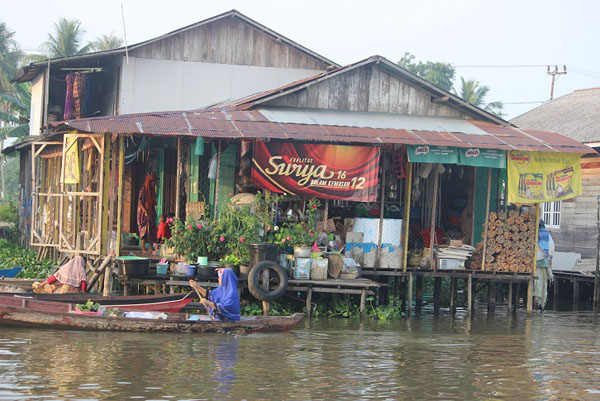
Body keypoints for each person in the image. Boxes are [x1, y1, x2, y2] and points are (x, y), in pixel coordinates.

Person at [534, 219, 555, 309]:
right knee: (542, 285)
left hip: (534, 264)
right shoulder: (547, 235)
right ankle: (541, 304)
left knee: (536, 285)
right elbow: (551, 250)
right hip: (543, 264)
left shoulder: (534, 234)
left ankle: (536, 301)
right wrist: (549, 259)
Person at [138, 173, 159, 253]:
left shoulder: (152, 190)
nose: (155, 184)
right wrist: (145, 211)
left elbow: (155, 201)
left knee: (152, 230)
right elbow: (140, 201)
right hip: (143, 214)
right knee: (144, 230)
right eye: (154, 182)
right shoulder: (143, 190)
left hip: (151, 212)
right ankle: (143, 248)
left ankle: (151, 248)